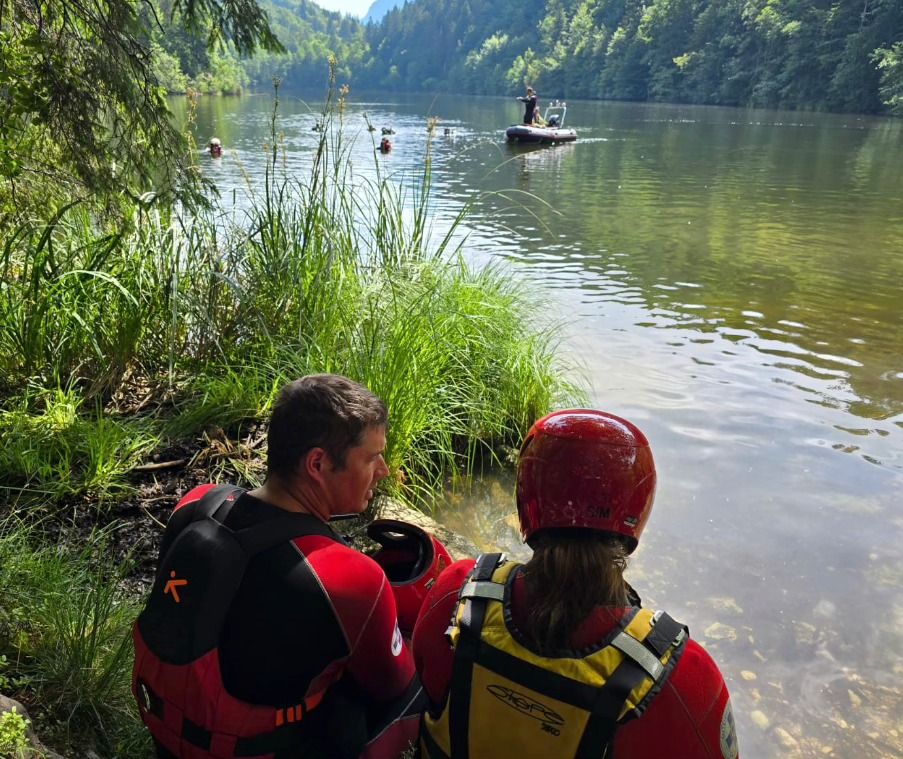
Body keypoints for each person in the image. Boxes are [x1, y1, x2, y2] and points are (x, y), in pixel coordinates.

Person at [412, 409, 740, 759]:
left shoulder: (457, 596)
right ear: (637, 510)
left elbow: (424, 683)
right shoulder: (682, 678)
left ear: (527, 499)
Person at [133, 374, 428, 759]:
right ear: (317, 464)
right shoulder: (349, 578)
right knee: (424, 683)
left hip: (169, 735)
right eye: (372, 457)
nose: (384, 469)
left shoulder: (197, 504)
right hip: (253, 750)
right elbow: (394, 684)